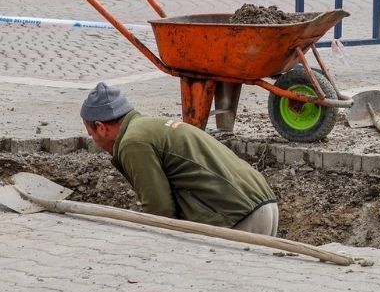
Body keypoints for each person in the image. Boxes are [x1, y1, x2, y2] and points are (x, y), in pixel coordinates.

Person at [80, 82, 279, 237]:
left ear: (101, 127)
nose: (95, 141)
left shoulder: (133, 143)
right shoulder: (149, 126)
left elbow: (158, 210)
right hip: (263, 204)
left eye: (91, 134)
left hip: (236, 215)